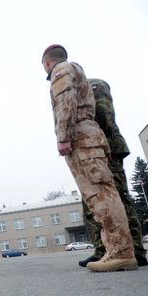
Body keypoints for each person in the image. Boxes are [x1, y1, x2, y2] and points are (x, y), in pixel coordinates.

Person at [42, 44, 137, 272]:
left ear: (46, 62)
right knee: (98, 195)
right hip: (87, 134)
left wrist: (63, 136)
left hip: (80, 135)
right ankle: (116, 249)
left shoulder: (61, 69)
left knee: (100, 194)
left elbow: (65, 100)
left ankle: (121, 252)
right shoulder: (74, 70)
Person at [78, 78, 147, 267]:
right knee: (93, 202)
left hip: (106, 149)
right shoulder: (82, 90)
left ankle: (135, 250)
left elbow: (104, 115)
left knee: (117, 197)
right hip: (94, 150)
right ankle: (104, 250)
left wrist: (98, 141)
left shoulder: (94, 85)